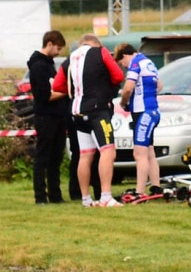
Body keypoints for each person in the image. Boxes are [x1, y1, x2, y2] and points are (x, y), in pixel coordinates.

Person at [53, 34, 124, 207]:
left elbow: (57, 86)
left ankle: (85, 198)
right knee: (108, 151)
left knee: (85, 155)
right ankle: (106, 196)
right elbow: (118, 76)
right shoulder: (101, 52)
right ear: (96, 44)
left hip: (77, 111)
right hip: (98, 110)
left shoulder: (69, 59)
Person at [115, 43, 162, 202]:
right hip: (153, 110)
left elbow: (128, 88)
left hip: (143, 113)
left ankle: (140, 192)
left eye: (122, 63)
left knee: (139, 153)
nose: (124, 66)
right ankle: (156, 187)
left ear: (125, 56)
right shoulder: (149, 62)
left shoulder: (135, 64)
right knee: (150, 152)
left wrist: (123, 103)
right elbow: (159, 86)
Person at [27, 30, 69, 204]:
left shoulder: (49, 64)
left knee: (56, 157)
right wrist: (65, 92)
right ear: (49, 44)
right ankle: (40, 196)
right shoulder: (38, 67)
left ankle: (55, 195)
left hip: (58, 116)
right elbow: (44, 96)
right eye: (58, 48)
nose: (59, 52)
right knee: (42, 157)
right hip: (46, 117)